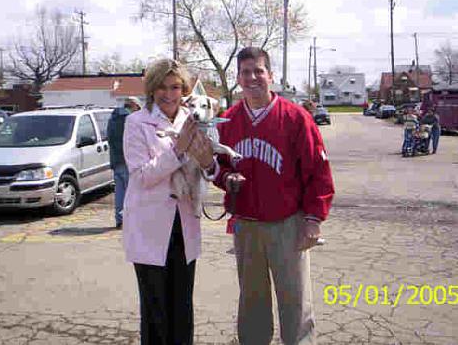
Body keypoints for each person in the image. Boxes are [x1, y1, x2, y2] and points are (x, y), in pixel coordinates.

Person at [213, 47, 335, 345]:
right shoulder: (228, 121)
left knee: (294, 301)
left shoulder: (296, 118)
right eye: (245, 72)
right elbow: (216, 168)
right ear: (238, 78)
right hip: (246, 225)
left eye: (258, 71)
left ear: (271, 75)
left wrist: (314, 218)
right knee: (252, 303)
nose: (252, 77)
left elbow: (318, 171)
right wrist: (225, 178)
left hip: (288, 223)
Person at [122, 58, 216, 345]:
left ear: (183, 89)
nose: (169, 94)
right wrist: (177, 151)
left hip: (184, 226)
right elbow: (141, 176)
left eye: (175, 87)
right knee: (156, 312)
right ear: (151, 89)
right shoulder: (135, 123)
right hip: (150, 228)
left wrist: (209, 164)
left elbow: (209, 169)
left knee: (182, 307)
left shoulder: (194, 119)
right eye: (162, 87)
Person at [107, 97, 141, 229]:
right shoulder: (131, 119)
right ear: (133, 106)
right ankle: (131, 221)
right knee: (132, 193)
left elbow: (109, 138)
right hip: (129, 160)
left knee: (120, 193)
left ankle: (120, 220)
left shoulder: (112, 118)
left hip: (116, 160)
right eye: (138, 108)